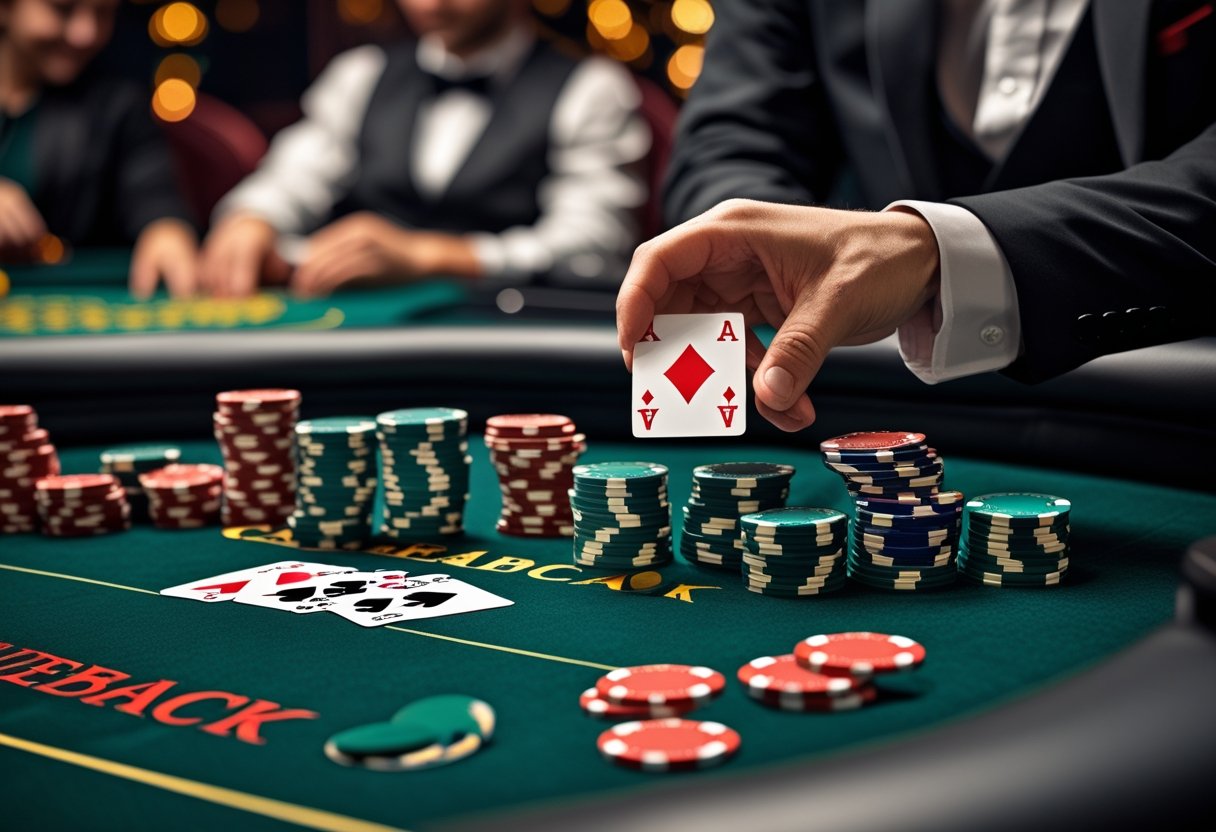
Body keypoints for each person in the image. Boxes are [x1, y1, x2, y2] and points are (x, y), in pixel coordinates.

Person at [617, 0, 1215, 433]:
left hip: (1180, 417)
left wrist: (938, 249)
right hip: (900, 400)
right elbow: (732, 138)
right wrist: (760, 255)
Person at [200, 0, 649, 298]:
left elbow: (594, 248)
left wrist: (429, 257)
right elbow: (289, 180)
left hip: (507, 337)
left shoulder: (591, 88)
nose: (432, 2)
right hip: (363, 339)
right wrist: (252, 220)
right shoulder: (361, 74)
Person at [0, 0, 198, 297]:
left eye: (103, 13)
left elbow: (155, 197)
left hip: (69, 304)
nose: (86, 33)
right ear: (5, 7)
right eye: (62, 9)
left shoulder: (119, 107)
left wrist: (167, 231)